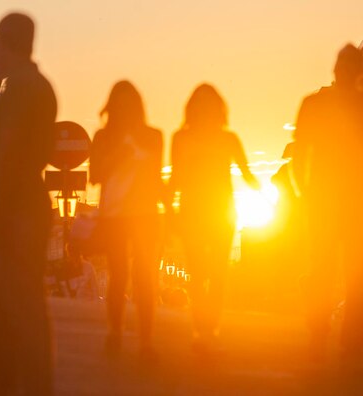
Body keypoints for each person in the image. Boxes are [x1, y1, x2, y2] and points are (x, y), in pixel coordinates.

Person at [292, 44, 363, 369]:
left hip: (326, 200)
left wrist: (304, 192)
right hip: (357, 201)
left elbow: (299, 156)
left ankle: (319, 335)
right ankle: (350, 343)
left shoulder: (314, 105)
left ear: (337, 70)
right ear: (362, 72)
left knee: (323, 270)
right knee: (356, 275)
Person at [0, 12, 57, 395]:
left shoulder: (21, 88)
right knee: (28, 300)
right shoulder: (36, 84)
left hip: (16, 205)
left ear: (3, 41)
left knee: (18, 301)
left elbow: (7, 153)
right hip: (28, 199)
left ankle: (27, 383)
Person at [167, 83, 259, 354]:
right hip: (196, 212)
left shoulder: (227, 139)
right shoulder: (182, 139)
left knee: (216, 272)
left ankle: (209, 328)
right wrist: (169, 210)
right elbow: (176, 179)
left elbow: (247, 173)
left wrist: (275, 195)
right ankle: (201, 328)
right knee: (199, 273)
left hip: (219, 212)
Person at [90, 80, 163, 359]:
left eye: (129, 105)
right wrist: (117, 156)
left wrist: (169, 210)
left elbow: (156, 178)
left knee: (146, 276)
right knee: (119, 275)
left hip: (145, 214)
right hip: (114, 215)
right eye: (119, 105)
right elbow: (94, 175)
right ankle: (115, 332)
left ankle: (146, 341)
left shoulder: (153, 136)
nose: (124, 111)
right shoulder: (103, 137)